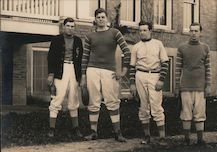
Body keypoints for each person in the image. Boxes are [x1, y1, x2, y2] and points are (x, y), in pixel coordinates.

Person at [80, 8, 130, 142]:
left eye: (103, 17)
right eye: (98, 17)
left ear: (106, 18)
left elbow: (127, 51)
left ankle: (118, 133)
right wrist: (83, 76)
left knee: (112, 100)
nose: (101, 19)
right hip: (92, 70)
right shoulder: (90, 36)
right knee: (93, 101)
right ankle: (93, 132)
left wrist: (123, 71)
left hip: (110, 71)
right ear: (95, 20)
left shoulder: (115, 33)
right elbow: (85, 57)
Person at [130, 21, 169, 144]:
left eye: (145, 30)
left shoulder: (158, 44)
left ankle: (162, 137)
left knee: (156, 106)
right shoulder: (136, 47)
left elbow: (165, 63)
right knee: (143, 107)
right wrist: (132, 84)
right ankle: (147, 136)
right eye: (140, 30)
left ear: (150, 30)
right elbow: (132, 66)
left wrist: (161, 80)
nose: (142, 33)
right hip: (140, 75)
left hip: (154, 75)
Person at [175, 22, 212, 145]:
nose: (194, 34)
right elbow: (177, 68)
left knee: (200, 112)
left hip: (200, 86)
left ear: (200, 33)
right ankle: (187, 139)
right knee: (186, 112)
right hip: (185, 85)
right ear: (189, 32)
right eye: (191, 31)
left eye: (196, 31)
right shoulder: (182, 48)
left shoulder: (205, 48)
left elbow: (208, 68)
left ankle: (200, 140)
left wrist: (208, 85)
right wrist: (177, 85)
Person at [47, 17, 83, 138]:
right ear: (63, 27)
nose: (70, 28)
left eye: (72, 26)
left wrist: (81, 76)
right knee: (58, 97)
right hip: (60, 70)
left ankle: (76, 128)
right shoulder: (56, 40)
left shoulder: (78, 41)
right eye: (68, 26)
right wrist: (51, 74)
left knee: (73, 98)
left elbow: (81, 59)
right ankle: (51, 128)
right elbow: (50, 57)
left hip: (74, 70)